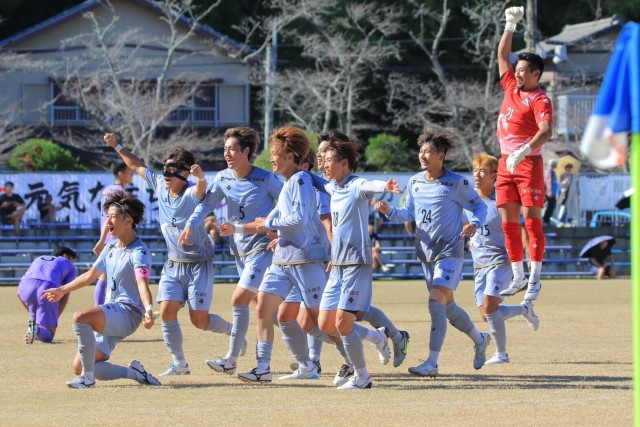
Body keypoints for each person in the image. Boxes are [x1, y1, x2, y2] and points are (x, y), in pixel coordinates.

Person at [104, 132, 231, 377]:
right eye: (164, 171)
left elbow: (202, 190)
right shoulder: (160, 186)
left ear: (184, 174)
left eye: (171, 173)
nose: (166, 177)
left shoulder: (191, 193)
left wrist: (201, 177)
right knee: (167, 311)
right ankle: (179, 363)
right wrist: (116, 145)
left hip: (198, 263)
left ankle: (232, 331)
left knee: (199, 320)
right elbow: (136, 164)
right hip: (174, 263)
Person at [218, 126, 330, 384]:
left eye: (276, 153)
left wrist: (271, 226)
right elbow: (268, 219)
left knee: (321, 322)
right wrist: (236, 228)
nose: (271, 158)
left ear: (291, 156)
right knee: (269, 311)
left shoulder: (301, 180)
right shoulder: (290, 183)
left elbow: (297, 220)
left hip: (305, 258)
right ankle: (264, 367)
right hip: (284, 257)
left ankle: (368, 341)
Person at [376, 128, 488, 378]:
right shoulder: (415, 182)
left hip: (450, 251)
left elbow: (479, 206)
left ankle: (432, 363)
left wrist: (474, 224)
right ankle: (480, 339)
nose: (423, 155)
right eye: (421, 151)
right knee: (447, 308)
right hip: (426, 252)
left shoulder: (456, 182)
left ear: (442, 155)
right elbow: (409, 213)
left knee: (435, 301)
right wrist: (389, 211)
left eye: (429, 151)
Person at [179, 127, 282, 375]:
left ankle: (232, 360)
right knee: (278, 315)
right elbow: (205, 207)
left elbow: (288, 206)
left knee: (239, 300)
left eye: (232, 149)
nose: (227, 153)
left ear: (246, 151)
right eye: (225, 149)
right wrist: (191, 224)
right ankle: (312, 351)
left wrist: (277, 229)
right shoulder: (223, 178)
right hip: (239, 253)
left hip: (262, 250)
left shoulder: (267, 179)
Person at [42, 190, 160, 389]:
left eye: (113, 217)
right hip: (111, 311)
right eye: (107, 217)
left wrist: (148, 310)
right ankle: (135, 373)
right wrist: (62, 290)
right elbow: (90, 275)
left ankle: (87, 381)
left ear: (128, 221)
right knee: (80, 365)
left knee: (80, 317)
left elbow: (142, 284)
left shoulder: (138, 252)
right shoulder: (111, 248)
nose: (108, 222)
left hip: (128, 313)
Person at [316, 138, 405, 390]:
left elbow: (369, 185)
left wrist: (385, 185)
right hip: (338, 263)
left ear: (345, 163)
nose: (324, 164)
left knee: (343, 323)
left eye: (330, 160)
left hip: (356, 261)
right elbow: (314, 180)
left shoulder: (356, 185)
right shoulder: (333, 186)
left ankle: (362, 377)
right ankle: (378, 337)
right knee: (325, 324)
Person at [495, 6, 553, 302]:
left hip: (528, 161)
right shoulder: (510, 86)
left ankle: (535, 277)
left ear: (536, 74)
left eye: (523, 71)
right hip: (506, 162)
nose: (517, 74)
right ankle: (517, 274)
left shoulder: (540, 98)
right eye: (516, 71)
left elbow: (546, 131)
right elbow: (502, 56)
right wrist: (510, 25)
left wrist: (526, 149)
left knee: (531, 221)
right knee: (508, 221)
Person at [468, 153, 540, 365]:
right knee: (486, 314)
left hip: (501, 260)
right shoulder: (469, 200)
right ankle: (524, 309)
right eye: (475, 170)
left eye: (483, 171)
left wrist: (529, 256)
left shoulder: (503, 201)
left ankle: (501, 354)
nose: (477, 175)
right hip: (479, 263)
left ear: (494, 176)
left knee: (490, 305)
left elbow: (522, 227)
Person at [93, 162, 134, 306]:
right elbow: (110, 217)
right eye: (129, 172)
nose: (132, 174)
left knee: (107, 275)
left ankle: (103, 307)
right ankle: (102, 308)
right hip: (116, 238)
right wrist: (102, 240)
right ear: (121, 174)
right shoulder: (119, 192)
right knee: (108, 275)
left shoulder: (108, 190)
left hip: (110, 237)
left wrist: (102, 239)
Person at [17, 246, 77, 343]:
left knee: (35, 316)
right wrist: (54, 317)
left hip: (25, 286)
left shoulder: (39, 258)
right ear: (66, 256)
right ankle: (37, 329)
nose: (73, 263)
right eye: (72, 260)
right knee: (49, 336)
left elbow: (18, 294)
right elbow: (65, 293)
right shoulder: (68, 264)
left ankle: (34, 327)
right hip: (47, 286)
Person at [557, 163, 579, 227]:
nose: (570, 169)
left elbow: (576, 184)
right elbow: (561, 184)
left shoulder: (573, 176)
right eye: (569, 167)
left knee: (572, 207)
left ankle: (570, 220)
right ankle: (562, 220)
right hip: (566, 192)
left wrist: (578, 191)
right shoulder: (563, 175)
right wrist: (565, 181)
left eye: (571, 167)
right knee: (566, 207)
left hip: (573, 192)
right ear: (566, 168)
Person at [543, 159, 558, 225]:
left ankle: (546, 219)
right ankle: (546, 220)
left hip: (550, 191)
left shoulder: (550, 171)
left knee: (551, 205)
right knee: (551, 205)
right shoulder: (549, 171)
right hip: (549, 192)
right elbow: (549, 181)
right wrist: (550, 191)